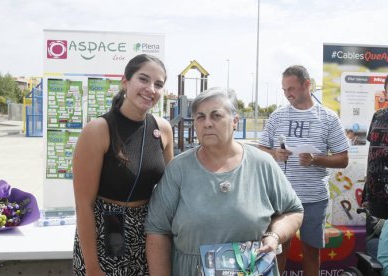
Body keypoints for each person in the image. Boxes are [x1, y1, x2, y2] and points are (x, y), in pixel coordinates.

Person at [145, 87, 304, 276]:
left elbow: (293, 211)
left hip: (250, 269)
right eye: (200, 117)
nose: (207, 123)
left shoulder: (262, 163)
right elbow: (157, 230)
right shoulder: (178, 169)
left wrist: (275, 236)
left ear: (235, 121)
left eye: (216, 115)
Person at [72, 54, 174, 276]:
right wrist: (92, 268)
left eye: (158, 84)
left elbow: (172, 189)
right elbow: (83, 205)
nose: (151, 89)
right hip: (104, 233)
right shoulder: (98, 130)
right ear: (125, 81)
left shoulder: (163, 129)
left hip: (149, 234)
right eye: (143, 79)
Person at [258, 65, 349, 275]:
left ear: (307, 84)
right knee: (277, 250)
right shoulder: (277, 116)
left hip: (314, 198)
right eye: (284, 90)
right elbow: (261, 149)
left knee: (311, 251)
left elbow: (343, 159)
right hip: (281, 197)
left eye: (291, 88)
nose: (287, 94)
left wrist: (315, 160)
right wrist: (274, 154)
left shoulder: (328, 117)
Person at [361, 105, 388, 275]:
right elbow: (373, 156)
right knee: (382, 255)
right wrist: (367, 192)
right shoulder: (378, 115)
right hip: (378, 198)